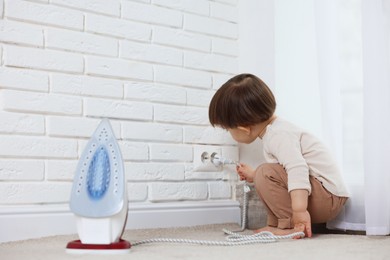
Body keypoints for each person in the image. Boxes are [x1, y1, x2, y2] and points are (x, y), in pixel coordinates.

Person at [208, 73, 349, 238]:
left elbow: (297, 168)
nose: (229, 132)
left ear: (244, 128)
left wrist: (299, 210)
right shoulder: (275, 132)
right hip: (326, 196)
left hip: (328, 198)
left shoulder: (278, 135)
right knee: (263, 173)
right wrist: (255, 175)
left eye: (228, 129)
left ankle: (287, 226)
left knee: (265, 172)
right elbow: (284, 171)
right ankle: (277, 225)